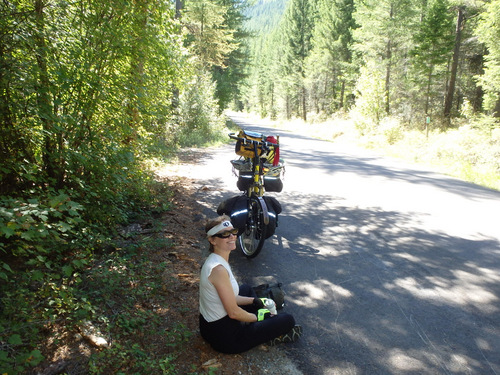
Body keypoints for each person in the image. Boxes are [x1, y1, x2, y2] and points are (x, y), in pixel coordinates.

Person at [199, 215, 302, 354]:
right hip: (225, 338)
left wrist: (255, 300)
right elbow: (233, 313)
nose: (232, 236)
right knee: (288, 320)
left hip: (209, 326)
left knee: (246, 289)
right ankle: (265, 327)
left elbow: (231, 297)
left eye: (233, 231)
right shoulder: (218, 269)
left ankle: (260, 321)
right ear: (212, 240)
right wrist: (259, 317)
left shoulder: (217, 259)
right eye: (224, 234)